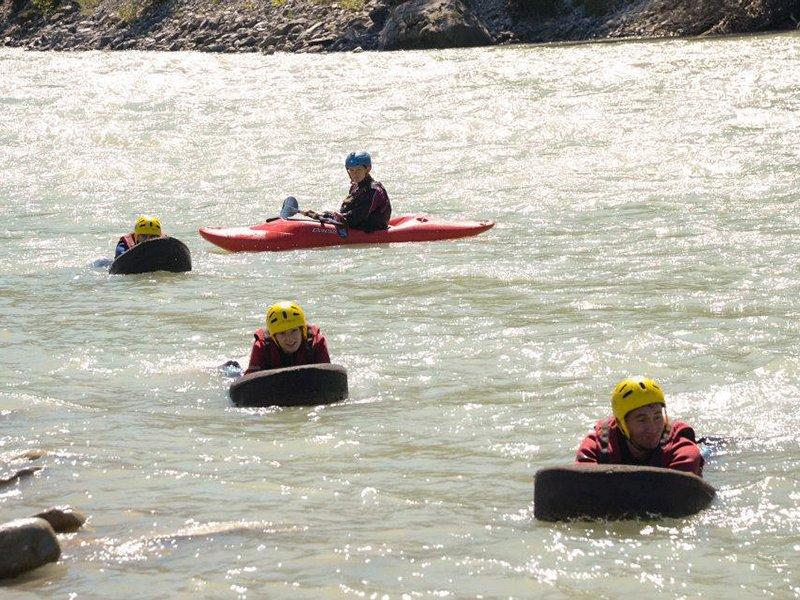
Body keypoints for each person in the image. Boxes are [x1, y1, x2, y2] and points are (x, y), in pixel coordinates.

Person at [575, 377, 704, 476]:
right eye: (642, 420)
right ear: (621, 424)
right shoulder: (597, 447)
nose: (653, 429)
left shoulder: (682, 449)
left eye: (657, 417)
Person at [309, 151, 391, 233]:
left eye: (359, 169)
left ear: (368, 169)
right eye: (352, 170)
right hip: (357, 224)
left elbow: (355, 217)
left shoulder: (374, 190)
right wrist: (322, 215)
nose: (355, 174)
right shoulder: (355, 187)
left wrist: (329, 216)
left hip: (371, 229)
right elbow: (345, 212)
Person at [244, 301, 330, 374]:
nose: (290, 338)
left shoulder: (317, 342)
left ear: (302, 330)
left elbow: (329, 377)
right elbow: (249, 383)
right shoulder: (262, 346)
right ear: (274, 337)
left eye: (294, 331)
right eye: (282, 333)